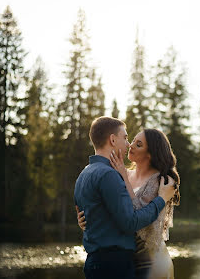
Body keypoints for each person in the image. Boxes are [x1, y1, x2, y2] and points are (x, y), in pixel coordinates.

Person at [74, 117, 176, 279]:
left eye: (138, 144)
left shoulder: (159, 182)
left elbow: (128, 216)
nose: (129, 145)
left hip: (149, 260)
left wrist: (162, 198)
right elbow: (127, 218)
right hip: (119, 261)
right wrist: (88, 221)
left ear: (150, 154)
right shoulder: (116, 174)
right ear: (113, 140)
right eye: (128, 139)